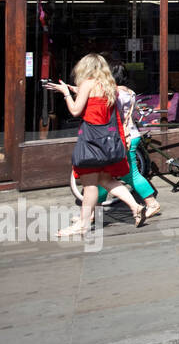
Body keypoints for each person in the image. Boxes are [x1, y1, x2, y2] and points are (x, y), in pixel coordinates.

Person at [52, 54, 145, 236]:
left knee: (89, 184)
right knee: (105, 179)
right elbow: (96, 101)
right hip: (107, 140)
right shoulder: (108, 86)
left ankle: (83, 224)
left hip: (91, 140)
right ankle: (136, 206)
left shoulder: (87, 83)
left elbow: (76, 110)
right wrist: (73, 89)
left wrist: (65, 94)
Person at [85, 64, 163, 220]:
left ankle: (152, 203)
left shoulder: (115, 94)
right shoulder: (130, 92)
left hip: (122, 137)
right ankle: (94, 212)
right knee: (105, 174)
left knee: (129, 175)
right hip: (131, 134)